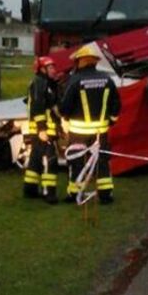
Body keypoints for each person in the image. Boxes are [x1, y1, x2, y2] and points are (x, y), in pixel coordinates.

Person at [59, 45, 121, 204]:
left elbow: (64, 108)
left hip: (78, 132)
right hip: (101, 132)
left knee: (76, 162)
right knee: (103, 161)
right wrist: (111, 121)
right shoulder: (108, 80)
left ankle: (74, 194)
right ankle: (106, 195)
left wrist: (65, 118)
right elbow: (116, 105)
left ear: (81, 61)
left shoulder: (74, 81)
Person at [23, 56, 60, 203]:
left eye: (53, 67)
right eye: (50, 68)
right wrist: (42, 129)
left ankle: (30, 189)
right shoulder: (40, 83)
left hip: (43, 129)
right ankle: (49, 193)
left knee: (36, 159)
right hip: (43, 130)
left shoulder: (45, 83)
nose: (53, 70)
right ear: (42, 69)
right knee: (50, 160)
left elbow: (50, 107)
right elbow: (38, 107)